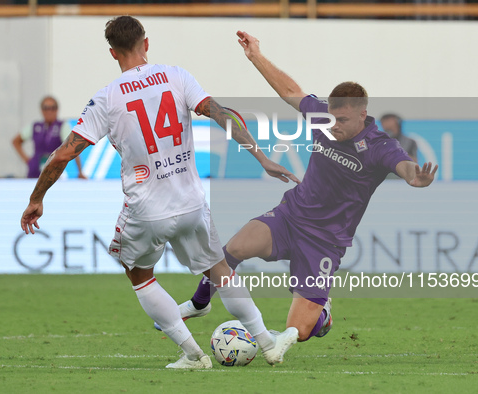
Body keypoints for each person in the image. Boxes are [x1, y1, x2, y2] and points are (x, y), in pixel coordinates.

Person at [20, 16, 300, 369]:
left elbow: (63, 154)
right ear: (146, 44)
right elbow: (222, 113)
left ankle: (194, 355)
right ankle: (267, 344)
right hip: (192, 203)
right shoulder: (177, 76)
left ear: (112, 53)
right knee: (220, 270)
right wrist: (261, 158)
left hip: (147, 209)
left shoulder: (106, 98)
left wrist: (36, 198)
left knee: (139, 274)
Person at [173, 31, 438, 344]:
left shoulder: (380, 145)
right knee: (233, 249)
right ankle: (199, 303)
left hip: (325, 241)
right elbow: (289, 90)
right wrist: (256, 55)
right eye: (332, 117)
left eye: (342, 120)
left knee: (297, 332)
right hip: (291, 216)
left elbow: (404, 165)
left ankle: (321, 312)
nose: (334, 125)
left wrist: (414, 177)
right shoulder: (322, 115)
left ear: (362, 115)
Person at [12, 96, 86, 179]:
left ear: (57, 110)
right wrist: (28, 161)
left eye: (53, 108)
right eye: (46, 108)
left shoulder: (62, 126)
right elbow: (16, 141)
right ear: (41, 110)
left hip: (53, 173)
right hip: (35, 171)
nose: (49, 111)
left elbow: (73, 147)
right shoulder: (35, 126)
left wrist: (80, 171)